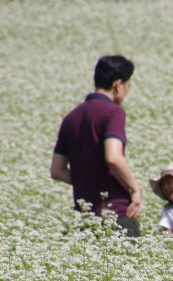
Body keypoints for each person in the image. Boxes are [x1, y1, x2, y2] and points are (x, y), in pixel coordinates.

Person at [50, 55, 143, 237]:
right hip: (115, 211)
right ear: (118, 85)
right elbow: (113, 158)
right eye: (127, 86)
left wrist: (87, 181)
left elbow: (57, 170)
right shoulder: (113, 113)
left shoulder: (71, 117)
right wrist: (135, 189)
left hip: (84, 215)